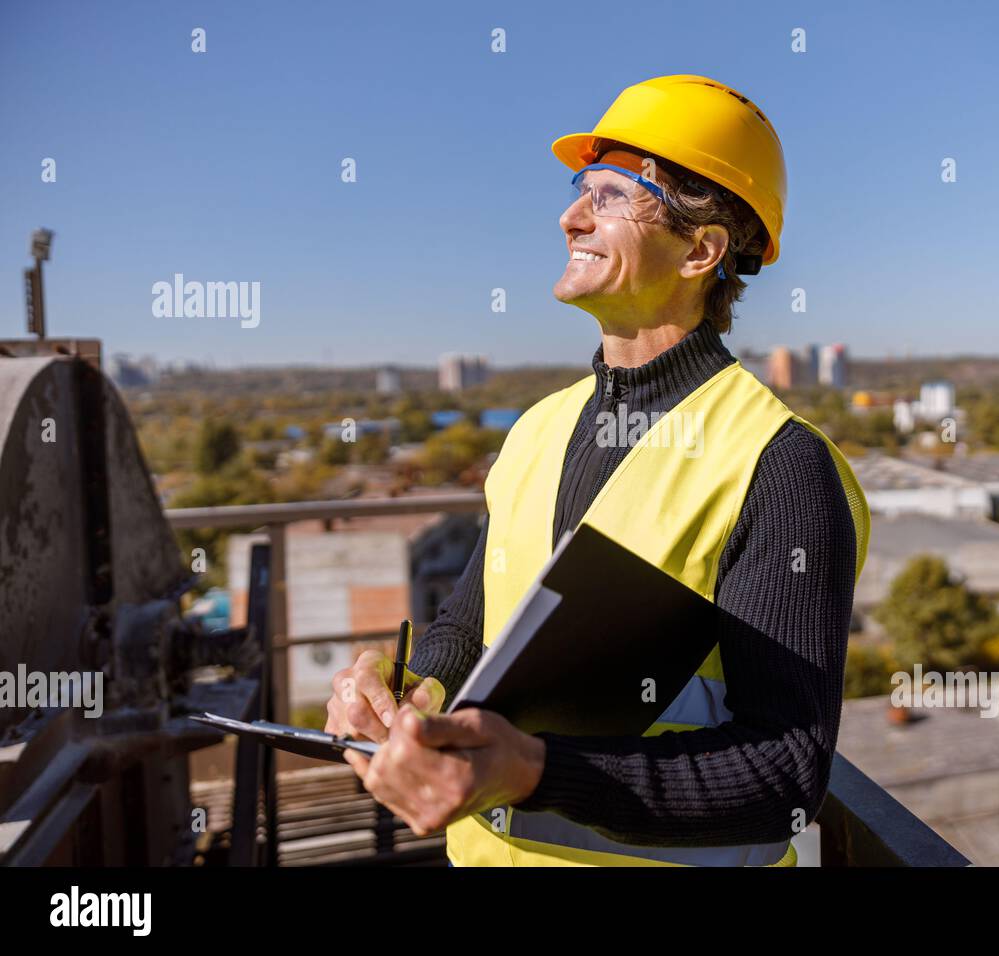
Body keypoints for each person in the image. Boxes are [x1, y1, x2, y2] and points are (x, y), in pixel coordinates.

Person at [325, 74, 870, 866]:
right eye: (581, 188)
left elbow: (783, 774)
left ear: (701, 249)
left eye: (612, 196)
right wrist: (403, 688)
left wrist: (533, 771)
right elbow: (471, 627)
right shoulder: (538, 429)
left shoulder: (779, 465)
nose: (570, 215)